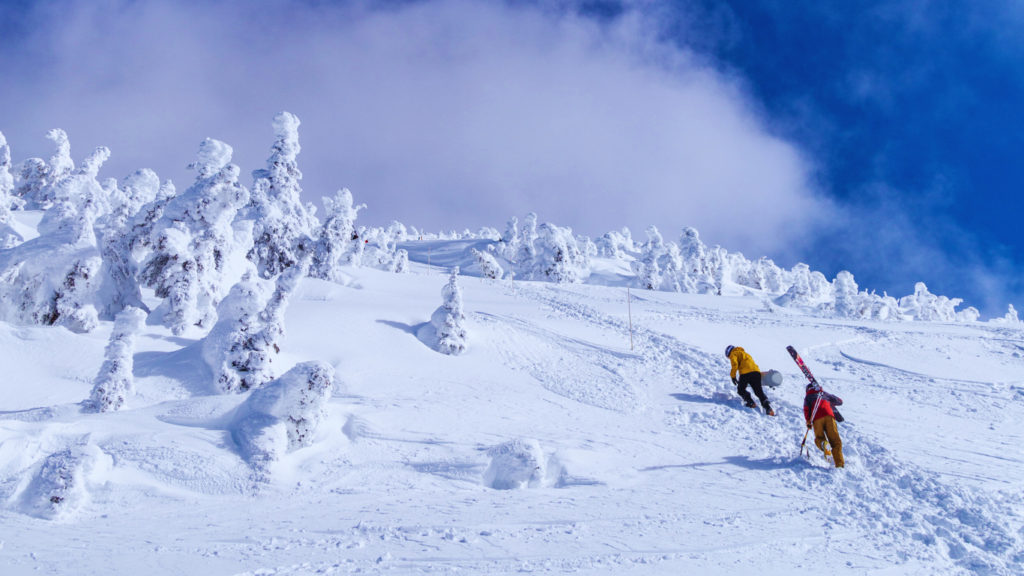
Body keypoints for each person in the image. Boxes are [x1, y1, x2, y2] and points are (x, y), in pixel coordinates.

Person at [804, 382, 845, 468]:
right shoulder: (824, 393)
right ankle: (839, 464)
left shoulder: (808, 397)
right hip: (829, 416)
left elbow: (806, 409)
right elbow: (840, 401)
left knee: (819, 437)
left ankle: (823, 444)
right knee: (835, 440)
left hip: (816, 418)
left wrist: (808, 422)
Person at [725, 345, 774, 416]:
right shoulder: (745, 353)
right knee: (758, 391)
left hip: (745, 372)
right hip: (756, 372)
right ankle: (768, 408)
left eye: (728, 358)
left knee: (741, 389)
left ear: (728, 353)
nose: (729, 358)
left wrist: (733, 376)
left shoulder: (734, 353)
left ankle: (750, 402)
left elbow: (735, 364)